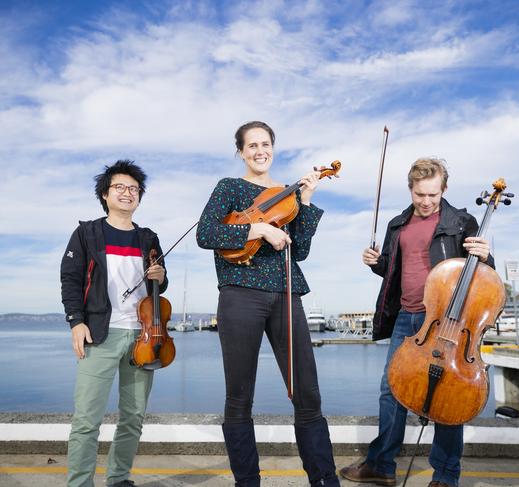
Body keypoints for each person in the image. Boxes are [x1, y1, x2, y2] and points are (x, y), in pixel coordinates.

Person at [196, 121, 340, 487]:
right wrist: (257, 229)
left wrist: (305, 202)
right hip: (239, 294)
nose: (260, 150)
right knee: (239, 396)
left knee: (307, 394)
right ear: (241, 152)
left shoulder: (286, 196)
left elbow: (300, 251)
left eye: (266, 144)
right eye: (252, 145)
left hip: (286, 293)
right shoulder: (229, 187)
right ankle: (247, 482)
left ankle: (324, 480)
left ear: (273, 148)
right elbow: (206, 233)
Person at [340, 158, 493, 487]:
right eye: (419, 194)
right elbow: (394, 273)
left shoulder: (462, 221)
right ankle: (382, 466)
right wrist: (376, 263)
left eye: (433, 195)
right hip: (406, 319)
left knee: (449, 396)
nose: (426, 202)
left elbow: (481, 275)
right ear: (411, 189)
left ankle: (445, 476)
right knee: (391, 390)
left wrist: (485, 254)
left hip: (447, 322)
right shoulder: (398, 225)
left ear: (444, 189)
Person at [60, 160, 167, 487]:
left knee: (133, 419)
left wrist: (160, 278)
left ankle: (119, 479)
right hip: (99, 335)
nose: (127, 192)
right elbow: (70, 279)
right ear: (105, 194)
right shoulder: (87, 233)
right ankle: (80, 483)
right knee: (86, 421)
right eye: (119, 187)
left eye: (133, 188)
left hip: (143, 338)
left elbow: (159, 288)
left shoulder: (148, 238)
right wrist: (76, 321)